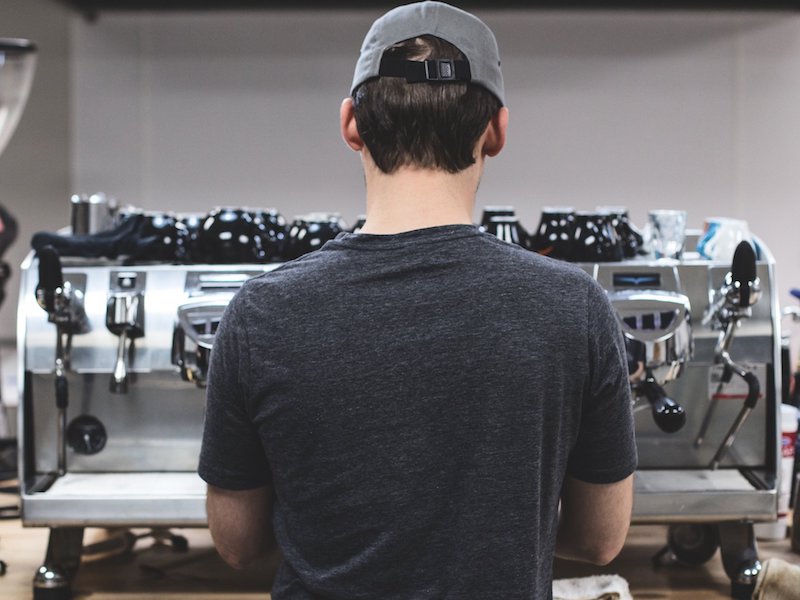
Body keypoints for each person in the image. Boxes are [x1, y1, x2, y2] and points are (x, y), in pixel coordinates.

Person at [199, 2, 637, 598]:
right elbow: (600, 539)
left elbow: (235, 542)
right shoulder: (575, 306)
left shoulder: (261, 313)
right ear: (497, 131)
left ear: (352, 123)